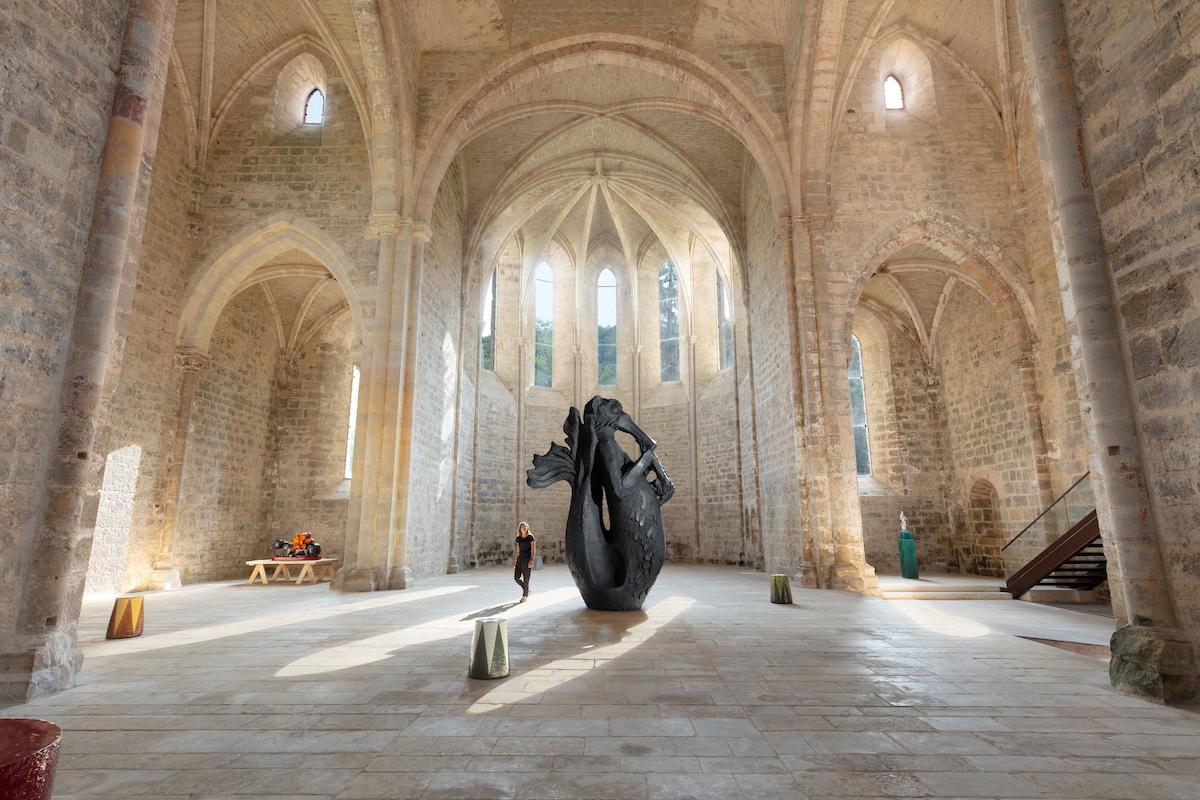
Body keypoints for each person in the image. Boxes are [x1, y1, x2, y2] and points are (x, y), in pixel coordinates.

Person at [513, 522, 536, 601]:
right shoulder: (518, 538)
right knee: (516, 578)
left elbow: (533, 550)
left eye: (526, 526)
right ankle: (526, 589)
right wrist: (515, 560)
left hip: (527, 558)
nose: (525, 528)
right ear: (520, 529)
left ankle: (525, 596)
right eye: (523, 527)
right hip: (520, 558)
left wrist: (531, 560)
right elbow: (517, 551)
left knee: (526, 578)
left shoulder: (530, 537)